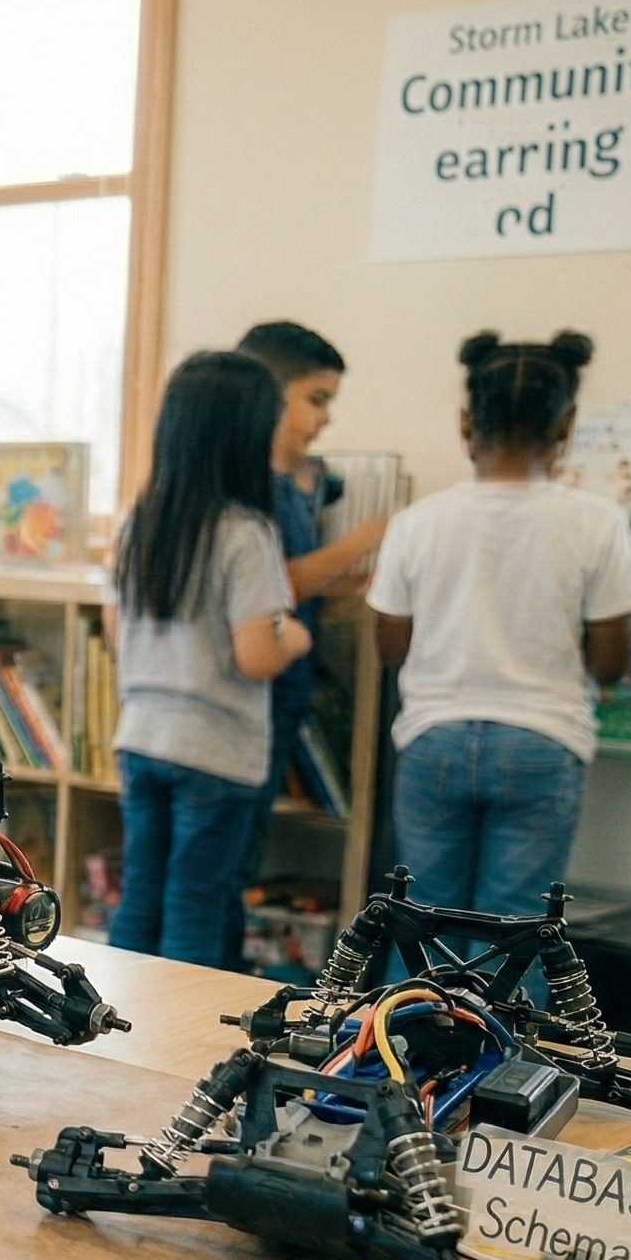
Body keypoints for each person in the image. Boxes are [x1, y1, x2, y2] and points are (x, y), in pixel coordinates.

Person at [368, 331, 631, 998]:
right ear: (567, 427)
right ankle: (499, 1087)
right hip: (541, 744)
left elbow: (389, 647)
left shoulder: (419, 522)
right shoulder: (596, 523)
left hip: (433, 740)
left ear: (467, 425)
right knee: (519, 932)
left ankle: (404, 1070)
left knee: (420, 924)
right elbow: (611, 661)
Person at [106, 351, 310, 965]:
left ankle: (110, 1029)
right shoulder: (246, 531)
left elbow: (120, 633)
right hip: (216, 750)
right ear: (246, 435)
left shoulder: (138, 522)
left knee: (140, 894)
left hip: (142, 738)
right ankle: (174, 1045)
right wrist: (295, 638)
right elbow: (256, 655)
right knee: (197, 902)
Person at [224, 321, 388, 969]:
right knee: (226, 867)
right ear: (270, 395)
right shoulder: (249, 490)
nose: (324, 419)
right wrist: (369, 536)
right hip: (253, 701)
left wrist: (359, 579)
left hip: (286, 698)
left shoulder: (293, 485)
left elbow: (301, 579)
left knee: (243, 855)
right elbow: (281, 585)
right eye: (315, 399)